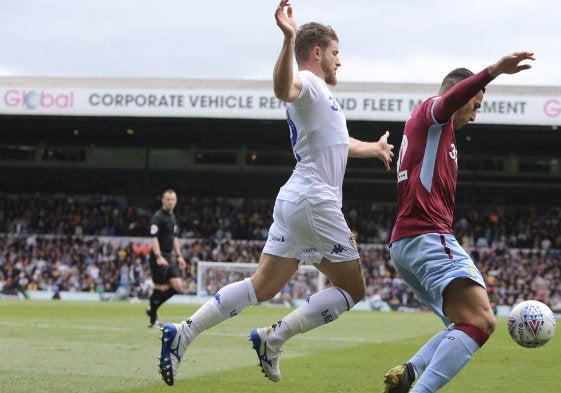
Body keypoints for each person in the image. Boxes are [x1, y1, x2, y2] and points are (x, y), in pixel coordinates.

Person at [157, 0, 394, 386]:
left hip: (294, 199)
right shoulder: (310, 83)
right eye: (336, 53)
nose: (340, 62)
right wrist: (287, 40)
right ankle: (274, 337)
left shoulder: (324, 99)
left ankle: (183, 332)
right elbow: (284, 87)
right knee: (353, 289)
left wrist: (373, 148)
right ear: (317, 53)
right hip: (315, 200)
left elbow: (336, 142)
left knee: (262, 286)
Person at [383, 52, 535, 393]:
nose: (475, 114)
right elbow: (450, 99)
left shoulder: (435, 133)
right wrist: (493, 71)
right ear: (462, 94)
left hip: (409, 242)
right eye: (476, 104)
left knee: (463, 324)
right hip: (426, 236)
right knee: (482, 321)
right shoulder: (433, 114)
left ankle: (410, 372)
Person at [146, 189, 188, 328]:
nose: (170, 202)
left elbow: (174, 238)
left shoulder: (172, 217)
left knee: (177, 286)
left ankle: (152, 309)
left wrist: (179, 256)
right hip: (159, 256)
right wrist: (158, 256)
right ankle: (153, 320)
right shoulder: (157, 218)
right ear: (163, 200)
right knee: (160, 287)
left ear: (175, 201)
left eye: (173, 199)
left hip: (169, 257)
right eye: (168, 199)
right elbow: (154, 238)